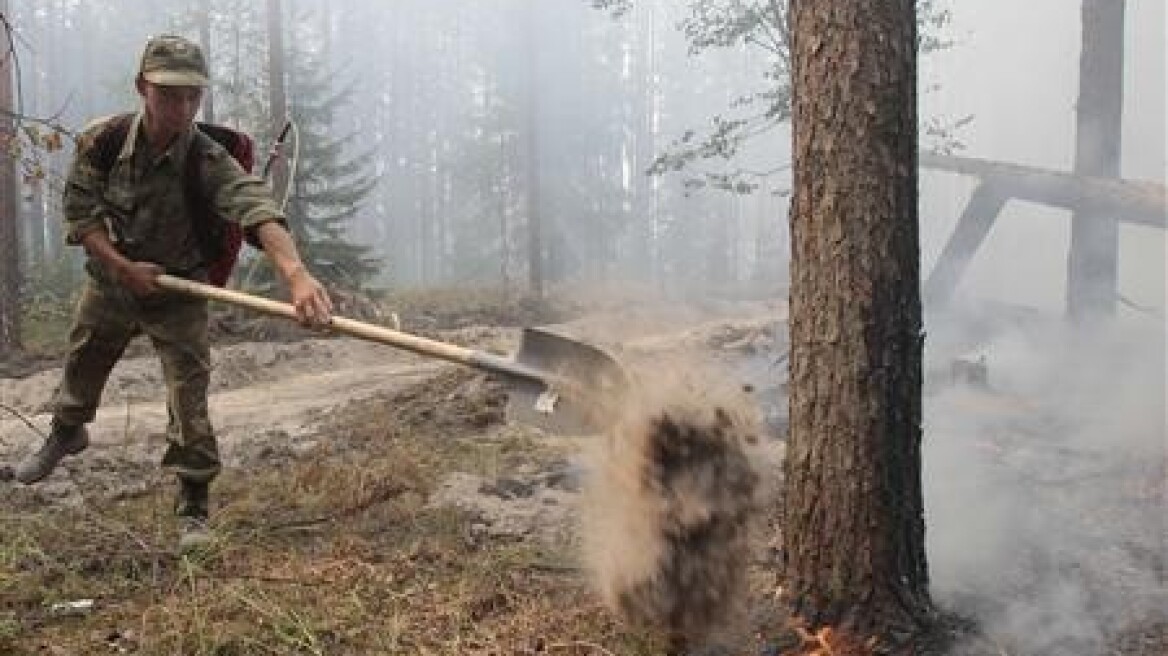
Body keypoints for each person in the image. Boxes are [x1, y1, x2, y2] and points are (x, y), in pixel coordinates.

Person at [13, 34, 333, 550]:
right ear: (143, 87)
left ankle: (193, 501)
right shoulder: (105, 140)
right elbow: (82, 216)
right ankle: (67, 431)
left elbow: (256, 206)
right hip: (113, 281)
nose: (181, 108)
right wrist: (122, 268)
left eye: (191, 96)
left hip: (179, 290)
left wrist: (295, 275)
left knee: (189, 395)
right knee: (84, 359)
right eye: (169, 94)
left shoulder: (207, 158)